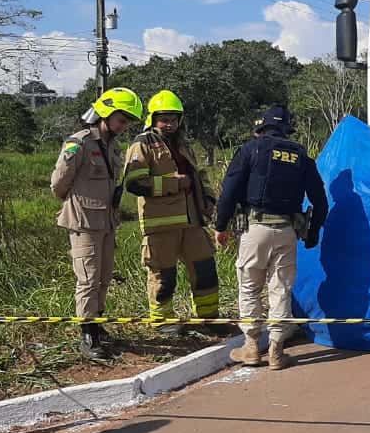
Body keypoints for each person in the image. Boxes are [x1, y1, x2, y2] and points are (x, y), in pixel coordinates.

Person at [215, 105, 328, 371]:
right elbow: (320, 201)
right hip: (287, 232)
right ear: (287, 129)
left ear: (261, 127)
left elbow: (229, 190)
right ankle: (277, 350)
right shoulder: (300, 155)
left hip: (255, 230)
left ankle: (252, 348)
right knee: (281, 290)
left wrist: (221, 225)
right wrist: (313, 232)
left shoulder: (250, 150)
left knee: (250, 287)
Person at [121, 90, 224, 337]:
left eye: (174, 119)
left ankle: (209, 319)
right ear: (153, 119)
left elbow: (199, 175)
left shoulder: (183, 144)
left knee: (205, 270)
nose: (169, 124)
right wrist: (172, 184)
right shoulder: (142, 144)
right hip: (161, 225)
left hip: (193, 222)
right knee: (163, 276)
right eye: (164, 119)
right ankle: (162, 322)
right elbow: (134, 183)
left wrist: (208, 198)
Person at [51, 87, 142, 360]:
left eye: (127, 122)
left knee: (103, 277)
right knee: (88, 278)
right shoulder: (79, 143)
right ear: (105, 114)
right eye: (121, 120)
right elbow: (59, 183)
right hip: (84, 221)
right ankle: (88, 334)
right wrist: (78, 203)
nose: (124, 127)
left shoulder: (112, 147)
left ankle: (98, 325)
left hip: (107, 221)